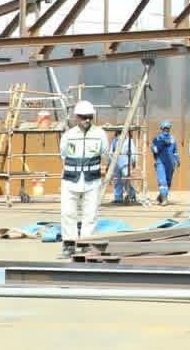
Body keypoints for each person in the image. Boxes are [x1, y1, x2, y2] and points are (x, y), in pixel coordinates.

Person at [57, 100, 109, 256]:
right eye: (83, 117)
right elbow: (63, 155)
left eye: (90, 117)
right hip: (71, 179)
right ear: (76, 117)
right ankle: (69, 244)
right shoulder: (68, 135)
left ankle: (86, 243)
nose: (87, 120)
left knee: (90, 213)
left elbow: (105, 154)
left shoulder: (100, 134)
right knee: (68, 212)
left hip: (92, 180)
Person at [150, 120, 179, 206]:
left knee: (168, 182)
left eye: (168, 128)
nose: (166, 130)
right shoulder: (157, 138)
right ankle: (164, 199)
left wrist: (177, 159)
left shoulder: (172, 139)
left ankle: (161, 196)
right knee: (163, 181)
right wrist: (161, 143)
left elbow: (175, 151)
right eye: (165, 128)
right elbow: (154, 150)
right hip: (161, 162)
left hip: (171, 163)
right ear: (162, 129)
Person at [107, 128, 138, 205]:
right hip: (116, 163)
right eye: (118, 133)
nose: (119, 134)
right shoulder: (114, 141)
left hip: (125, 162)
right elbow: (111, 153)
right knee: (117, 180)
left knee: (126, 180)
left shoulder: (129, 141)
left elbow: (133, 152)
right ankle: (118, 198)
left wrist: (133, 161)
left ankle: (132, 194)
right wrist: (109, 163)